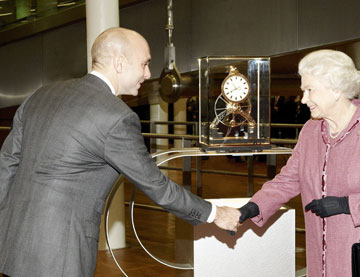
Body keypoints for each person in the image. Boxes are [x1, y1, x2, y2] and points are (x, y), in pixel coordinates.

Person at [0, 27, 239, 277]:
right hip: (60, 253)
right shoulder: (116, 117)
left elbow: (6, 166)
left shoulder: (40, 96)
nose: (147, 74)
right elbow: (156, 186)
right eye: (144, 64)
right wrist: (215, 213)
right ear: (119, 62)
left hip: (12, 244)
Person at [235, 50, 360, 276]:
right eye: (303, 91)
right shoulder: (311, 131)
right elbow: (288, 179)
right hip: (320, 258)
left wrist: (346, 205)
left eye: (310, 90)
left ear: (336, 89)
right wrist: (253, 207)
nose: (304, 99)